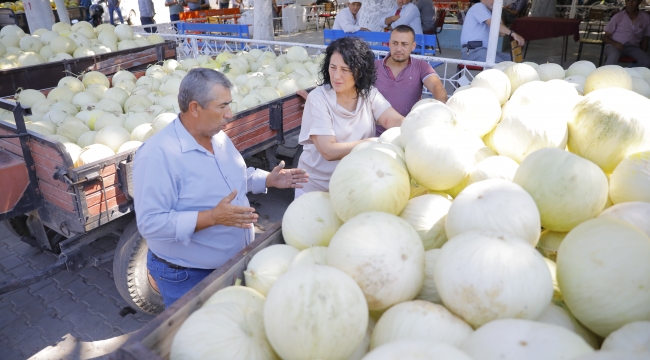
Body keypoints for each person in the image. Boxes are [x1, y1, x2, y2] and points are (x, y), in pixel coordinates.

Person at [133, 68, 309, 307]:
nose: (229, 114)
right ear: (195, 108)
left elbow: (231, 178)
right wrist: (213, 217)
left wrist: (267, 179)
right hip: (189, 277)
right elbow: (151, 223)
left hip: (230, 264)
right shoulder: (157, 155)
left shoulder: (218, 137)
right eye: (222, 106)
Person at [295, 37, 405, 197]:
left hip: (353, 185)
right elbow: (328, 151)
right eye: (333, 67)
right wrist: (371, 143)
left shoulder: (369, 93)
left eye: (345, 70)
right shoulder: (318, 98)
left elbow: (393, 120)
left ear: (360, 71)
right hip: (316, 188)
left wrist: (415, 128)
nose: (336, 76)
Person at [374, 25, 447, 136]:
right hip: (375, 134)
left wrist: (440, 109)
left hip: (409, 133)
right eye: (395, 43)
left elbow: (436, 87)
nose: (398, 48)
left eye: (404, 44)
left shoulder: (421, 66)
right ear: (389, 43)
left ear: (413, 46)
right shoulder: (374, 67)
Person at [460, 0, 525, 62]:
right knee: (501, 65)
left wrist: (497, 11)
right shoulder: (478, 6)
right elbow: (492, 23)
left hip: (486, 51)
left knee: (514, 62)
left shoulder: (490, 13)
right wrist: (513, 34)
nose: (494, 1)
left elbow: (501, 33)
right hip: (473, 50)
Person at [603, 0, 650, 67]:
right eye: (628, 1)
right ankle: (605, 75)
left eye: (633, 1)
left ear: (639, 2)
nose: (630, 3)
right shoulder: (618, 16)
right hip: (614, 46)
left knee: (646, 61)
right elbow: (605, 37)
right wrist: (615, 43)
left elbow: (645, 37)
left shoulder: (646, 18)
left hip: (633, 47)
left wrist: (643, 53)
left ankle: (638, 76)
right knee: (613, 56)